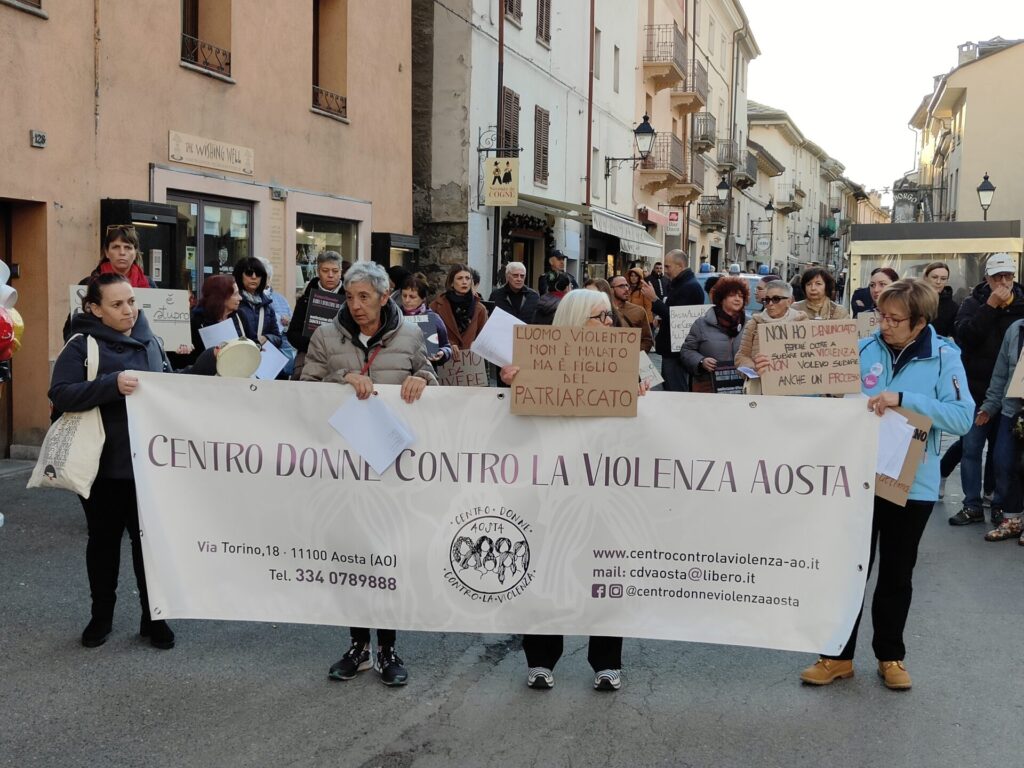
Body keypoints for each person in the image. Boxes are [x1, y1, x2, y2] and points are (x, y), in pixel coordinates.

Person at [799, 280, 973, 690]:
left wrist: (904, 399)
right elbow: (817, 392)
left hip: (912, 484)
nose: (885, 325)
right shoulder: (862, 348)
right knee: (848, 572)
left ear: (920, 322)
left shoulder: (945, 356)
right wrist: (794, 380)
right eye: (881, 316)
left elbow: (962, 417)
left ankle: (890, 656)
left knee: (897, 573)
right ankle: (836, 656)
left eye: (895, 319)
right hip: (855, 480)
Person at [49, 274, 218, 650]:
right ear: (94, 308)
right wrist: (112, 384)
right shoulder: (82, 343)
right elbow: (60, 394)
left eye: (131, 301)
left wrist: (209, 362)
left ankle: (154, 618)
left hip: (150, 465)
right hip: (101, 467)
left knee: (150, 547)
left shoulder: (150, 339)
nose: (128, 310)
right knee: (104, 543)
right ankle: (101, 617)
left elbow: (170, 387)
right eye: (117, 304)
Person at [499, 289, 648, 692]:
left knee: (604, 572)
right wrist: (511, 383)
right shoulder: (537, 358)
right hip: (551, 488)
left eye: (609, 317)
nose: (608, 323)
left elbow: (652, 413)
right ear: (577, 318)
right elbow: (510, 426)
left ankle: (606, 661)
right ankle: (542, 659)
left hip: (605, 487)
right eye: (600, 316)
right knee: (548, 572)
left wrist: (641, 394)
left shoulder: (626, 358)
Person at [302, 261, 437, 686]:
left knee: (388, 557)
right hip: (344, 467)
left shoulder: (411, 334)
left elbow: (430, 372)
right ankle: (358, 645)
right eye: (349, 296)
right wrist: (344, 377)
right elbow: (303, 387)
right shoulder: (325, 336)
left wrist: (422, 380)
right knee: (354, 556)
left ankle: (388, 649)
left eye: (364, 296)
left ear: (384, 297)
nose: (355, 305)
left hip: (392, 469)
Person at [949, 253, 1024, 526]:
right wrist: (990, 307)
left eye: (1008, 277)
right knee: (970, 448)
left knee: (1002, 454)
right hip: (976, 390)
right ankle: (972, 504)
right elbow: (965, 337)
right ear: (987, 279)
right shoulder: (972, 303)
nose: (1003, 282)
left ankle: (1000, 504)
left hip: (1011, 394)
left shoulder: (1021, 305)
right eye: (997, 277)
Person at [978, 316, 1024, 542]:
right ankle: (1013, 519)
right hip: (1012, 410)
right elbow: (1000, 373)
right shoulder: (1016, 329)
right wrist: (989, 406)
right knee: (1003, 463)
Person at [639, 249, 705, 391]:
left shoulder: (689, 286)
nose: (665, 270)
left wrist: (654, 299)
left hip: (677, 351)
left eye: (668, 266)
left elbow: (676, 318)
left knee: (675, 392)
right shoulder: (682, 283)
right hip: (673, 350)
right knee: (671, 389)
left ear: (680, 265)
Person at [735, 281, 807, 394]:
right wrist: (754, 368)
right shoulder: (754, 324)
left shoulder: (803, 324)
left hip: (796, 391)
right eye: (767, 300)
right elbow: (741, 356)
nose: (770, 304)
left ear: (789, 301)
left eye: (776, 299)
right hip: (762, 390)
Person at [681, 276, 748, 391]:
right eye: (732, 295)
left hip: (742, 387)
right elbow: (686, 351)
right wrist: (701, 361)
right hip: (709, 386)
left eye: (741, 296)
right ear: (721, 298)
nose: (737, 299)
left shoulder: (750, 324)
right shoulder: (701, 323)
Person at [287, 250, 344, 379]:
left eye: (335, 271)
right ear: (318, 271)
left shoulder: (350, 298)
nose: (330, 275)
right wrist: (315, 345)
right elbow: (292, 333)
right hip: (310, 356)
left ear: (341, 272)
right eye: (325, 270)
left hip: (342, 357)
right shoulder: (305, 299)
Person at [430, 264, 489, 350]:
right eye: (460, 278)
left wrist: (476, 345)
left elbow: (484, 339)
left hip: (471, 359)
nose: (464, 282)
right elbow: (429, 337)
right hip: (445, 359)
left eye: (467, 278)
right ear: (451, 283)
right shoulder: (436, 306)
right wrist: (447, 346)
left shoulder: (480, 309)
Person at [186, 275, 242, 364]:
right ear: (221, 297)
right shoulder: (195, 322)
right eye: (235, 294)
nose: (240, 298)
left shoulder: (239, 317)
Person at [400, 275, 452, 367]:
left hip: (425, 372)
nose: (407, 300)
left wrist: (443, 353)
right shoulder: (395, 317)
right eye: (404, 296)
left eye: (412, 297)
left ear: (422, 299)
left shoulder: (434, 319)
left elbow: (446, 346)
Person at [258, 257, 296, 377]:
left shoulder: (281, 300)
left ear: (269, 279)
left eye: (261, 275)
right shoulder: (243, 299)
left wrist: (288, 323)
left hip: (278, 357)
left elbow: (289, 330)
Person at [232, 257, 282, 349]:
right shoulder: (233, 302)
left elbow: (278, 338)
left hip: (263, 358)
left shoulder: (267, 305)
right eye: (249, 273)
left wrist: (267, 338)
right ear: (240, 275)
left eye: (258, 274)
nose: (254, 277)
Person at [609, 274, 654, 352]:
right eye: (621, 286)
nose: (626, 289)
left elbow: (647, 340)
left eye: (627, 286)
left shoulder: (638, 311)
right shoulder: (601, 309)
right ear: (611, 289)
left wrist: (633, 353)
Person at [923, 262, 958, 337]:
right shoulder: (913, 300)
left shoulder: (953, 307)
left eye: (943, 279)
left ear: (947, 280)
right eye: (934, 277)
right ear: (926, 277)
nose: (938, 282)